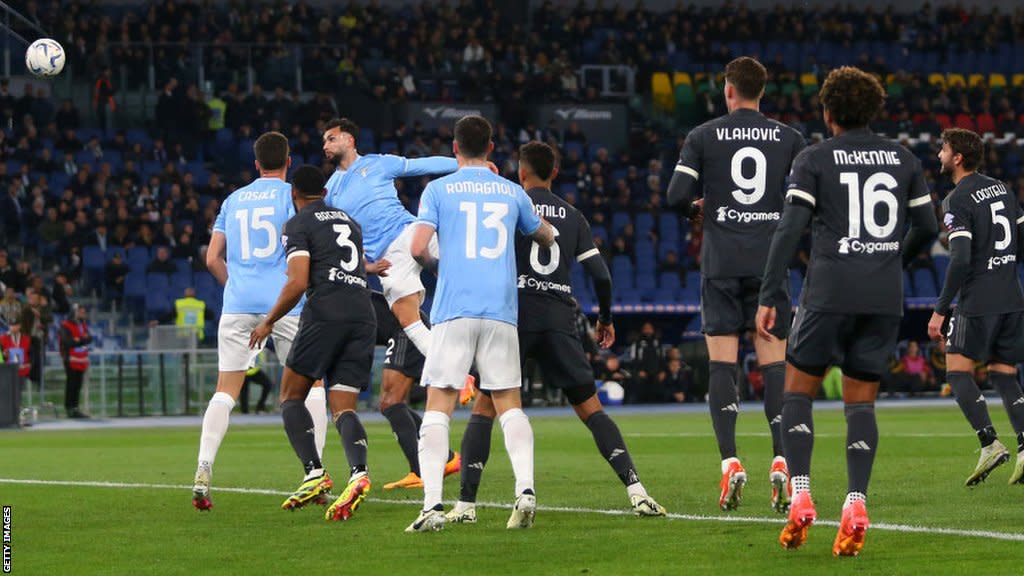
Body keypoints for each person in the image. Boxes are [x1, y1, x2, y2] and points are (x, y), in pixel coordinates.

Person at [755, 66, 938, 556]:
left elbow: (789, 228)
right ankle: (856, 502)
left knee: (798, 391)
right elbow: (926, 224)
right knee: (861, 403)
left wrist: (772, 292)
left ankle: (801, 495)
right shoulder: (903, 159)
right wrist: (894, 257)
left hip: (829, 293)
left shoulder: (815, 158)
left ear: (828, 112)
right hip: (882, 296)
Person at [447, 141, 665, 523]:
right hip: (560, 318)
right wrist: (606, 318)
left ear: (521, 172)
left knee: (485, 408)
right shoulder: (573, 215)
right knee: (591, 410)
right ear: (555, 173)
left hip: (513, 316)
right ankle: (636, 490)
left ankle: (466, 505)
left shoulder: (508, 204)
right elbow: (600, 275)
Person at [666, 56, 806, 513]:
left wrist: (696, 210)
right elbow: (806, 203)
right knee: (774, 365)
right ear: (761, 92)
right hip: (770, 265)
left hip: (722, 263)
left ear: (729, 90)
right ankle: (782, 460)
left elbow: (675, 197)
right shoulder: (789, 138)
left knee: (722, 366)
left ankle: (730, 462)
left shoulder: (703, 135)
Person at [405, 116, 555, 532]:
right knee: (509, 403)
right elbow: (545, 236)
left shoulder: (437, 189)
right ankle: (525, 491)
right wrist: (547, 230)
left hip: (454, 308)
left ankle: (433, 506)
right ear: (491, 149)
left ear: (455, 149)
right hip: (501, 310)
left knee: (440, 405)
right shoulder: (511, 191)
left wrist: (440, 268)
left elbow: (418, 248)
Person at [192, 132, 322, 511]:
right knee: (310, 387)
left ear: (255, 164)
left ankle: (203, 467)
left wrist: (238, 287)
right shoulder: (291, 196)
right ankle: (314, 474)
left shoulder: (232, 201)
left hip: (237, 304)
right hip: (285, 302)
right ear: (289, 161)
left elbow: (212, 258)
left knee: (225, 391)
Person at [249, 165, 383, 522]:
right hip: (363, 311)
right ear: (324, 191)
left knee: (291, 394)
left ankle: (314, 472)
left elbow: (297, 283)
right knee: (344, 406)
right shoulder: (349, 221)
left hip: (326, 311)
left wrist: (268, 321)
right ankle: (358, 473)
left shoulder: (298, 224)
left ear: (295, 194)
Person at [321, 118, 493, 364]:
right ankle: (458, 369)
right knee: (407, 319)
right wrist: (365, 266)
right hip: (386, 258)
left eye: (331, 138)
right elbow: (338, 240)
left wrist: (473, 165)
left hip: (412, 231)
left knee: (464, 267)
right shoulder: (328, 191)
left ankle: (488, 326)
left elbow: (423, 165)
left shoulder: (379, 163)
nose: (325, 145)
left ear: (350, 140)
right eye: (324, 141)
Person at [927, 127, 1024, 486]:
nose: (939, 154)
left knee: (956, 372)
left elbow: (962, 259)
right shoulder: (1003, 188)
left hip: (978, 301)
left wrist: (940, 309)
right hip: (1011, 297)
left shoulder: (956, 199)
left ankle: (989, 443)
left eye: (944, 149)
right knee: (1004, 374)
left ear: (958, 157)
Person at [372, 290, 461, 490]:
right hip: (406, 327)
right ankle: (446, 457)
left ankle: (420, 471)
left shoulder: (332, 301)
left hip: (405, 329)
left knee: (390, 403)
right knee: (391, 404)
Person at [59, 305, 92, 418]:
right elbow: (68, 342)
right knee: (71, 384)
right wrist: (82, 339)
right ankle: (69, 408)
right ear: (75, 313)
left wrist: (79, 339)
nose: (83, 314)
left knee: (78, 384)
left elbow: (89, 338)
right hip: (70, 358)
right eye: (81, 312)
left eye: (84, 312)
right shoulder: (65, 325)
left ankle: (75, 408)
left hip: (81, 358)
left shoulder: (82, 324)